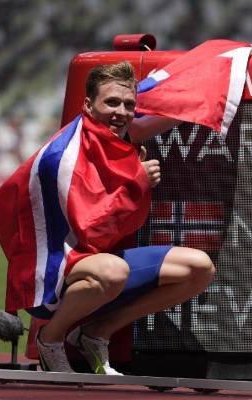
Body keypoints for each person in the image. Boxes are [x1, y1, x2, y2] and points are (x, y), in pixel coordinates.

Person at [33, 61, 215, 374]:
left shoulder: (117, 141)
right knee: (113, 270)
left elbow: (156, 119)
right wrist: (135, 183)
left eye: (129, 104)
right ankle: (49, 339)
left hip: (94, 261)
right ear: (88, 106)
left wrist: (212, 79)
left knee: (199, 268)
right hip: (52, 270)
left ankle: (95, 333)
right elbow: (92, 229)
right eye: (112, 103)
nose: (122, 112)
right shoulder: (64, 156)